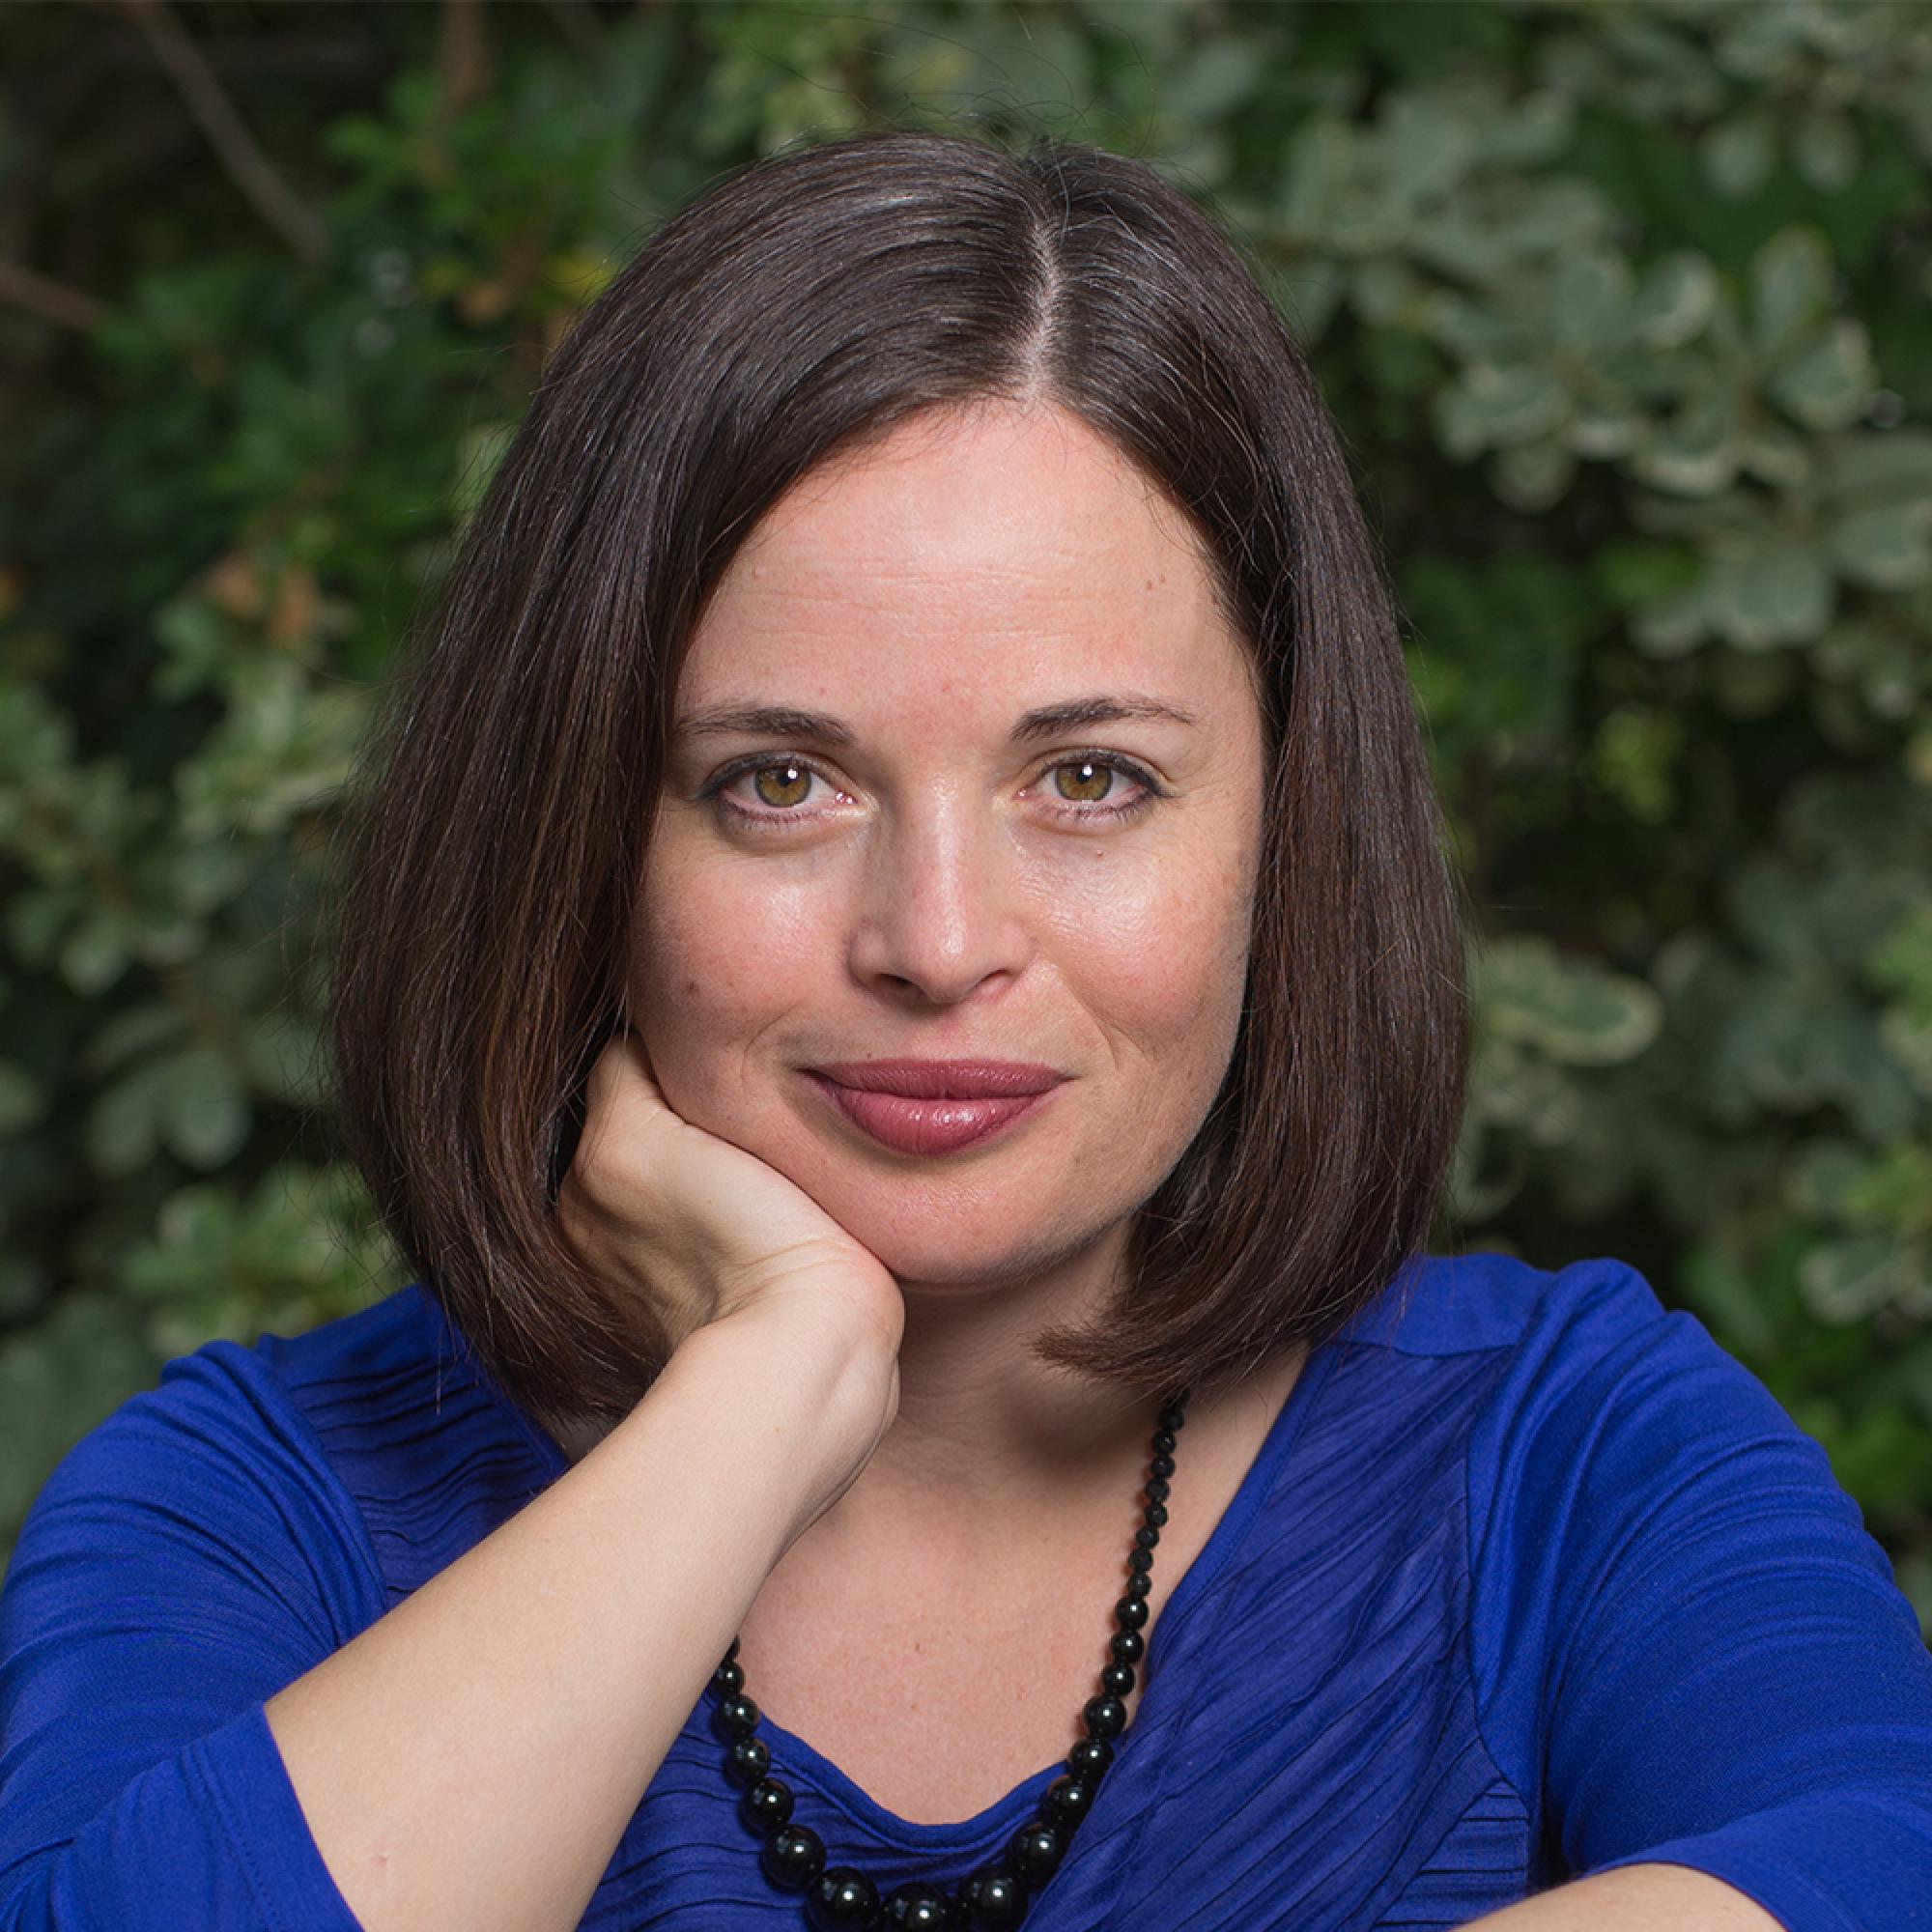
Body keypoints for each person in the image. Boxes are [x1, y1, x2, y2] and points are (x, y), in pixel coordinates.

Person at [1, 127, 1928, 1932]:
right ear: (579, 827)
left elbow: (1863, 1869)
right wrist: (770, 1385)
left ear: (1284, 823)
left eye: (1087, 777)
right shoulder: (248, 1505)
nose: (934, 941)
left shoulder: (1572, 1452)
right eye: (777, 782)